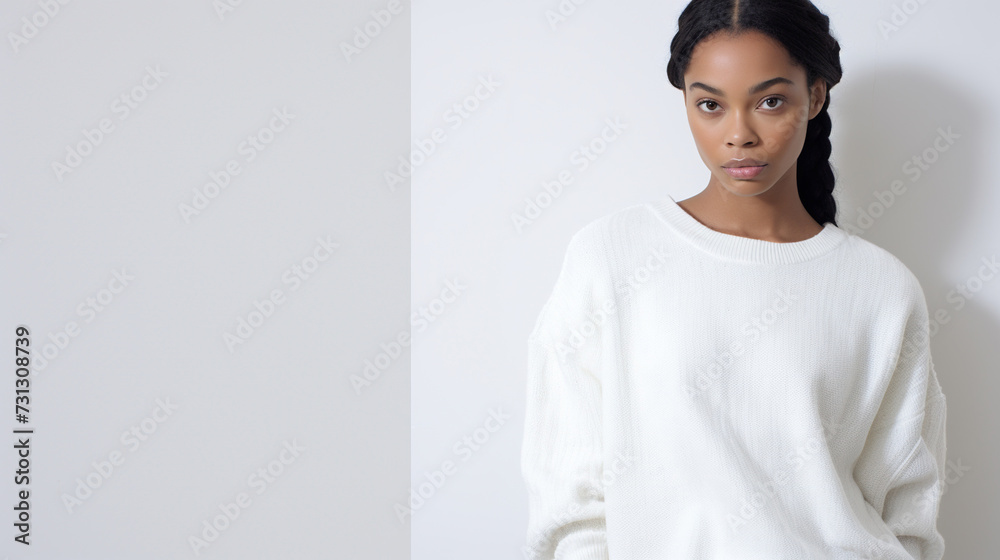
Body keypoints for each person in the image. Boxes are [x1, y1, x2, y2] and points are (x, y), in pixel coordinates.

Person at [519, 0, 948, 558]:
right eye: (710, 105)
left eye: (770, 101)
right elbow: (569, 499)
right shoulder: (611, 257)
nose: (738, 134)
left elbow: (908, 511)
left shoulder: (882, 288)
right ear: (686, 103)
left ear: (815, 96)